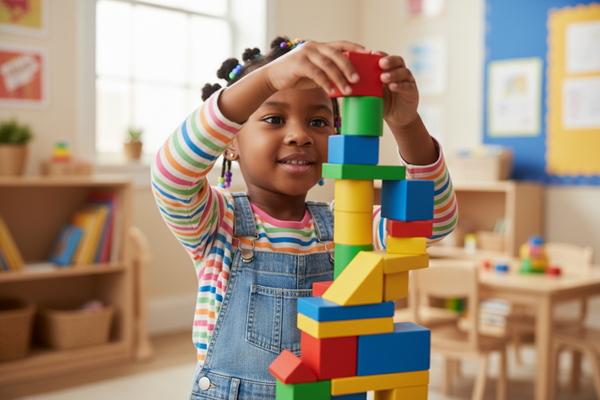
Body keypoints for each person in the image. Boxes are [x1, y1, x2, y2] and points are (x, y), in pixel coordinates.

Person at [151, 37, 458, 400]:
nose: (300, 135)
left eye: (318, 121)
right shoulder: (217, 223)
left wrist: (406, 124)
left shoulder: (348, 225)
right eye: (274, 118)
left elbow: (433, 221)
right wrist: (268, 79)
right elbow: (172, 174)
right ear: (229, 142)